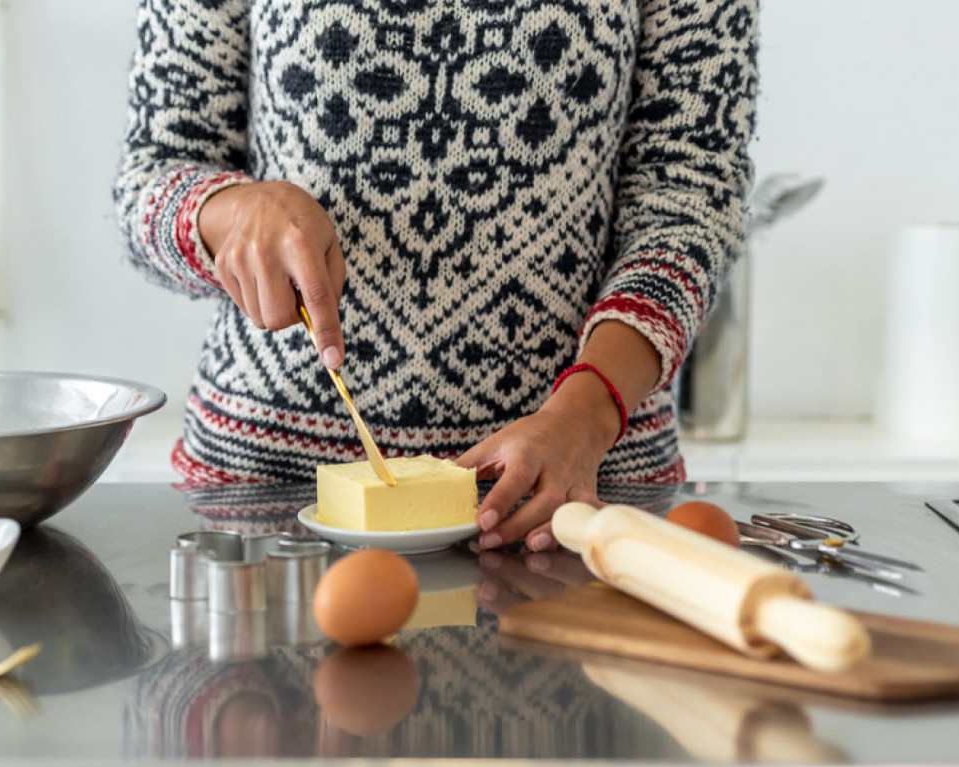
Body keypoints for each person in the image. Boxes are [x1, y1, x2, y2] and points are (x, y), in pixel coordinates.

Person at [114, 0, 758, 551]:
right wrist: (230, 214)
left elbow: (692, 197)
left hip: (572, 503)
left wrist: (586, 414)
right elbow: (153, 174)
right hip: (269, 507)